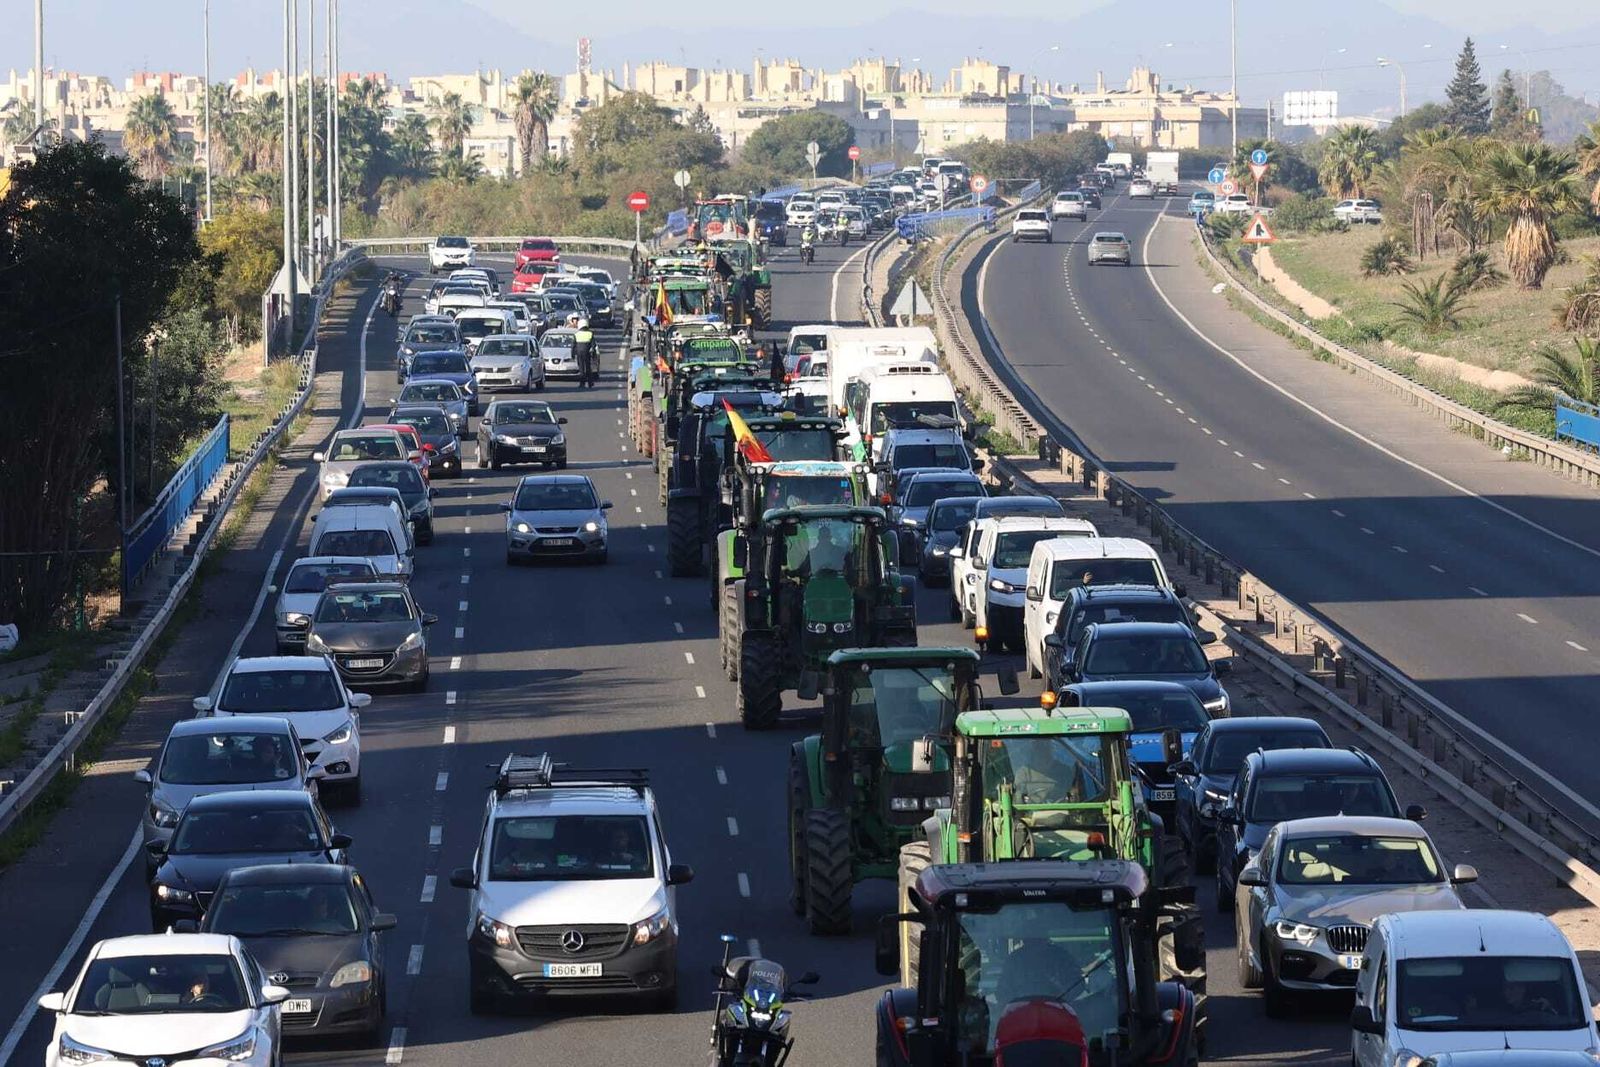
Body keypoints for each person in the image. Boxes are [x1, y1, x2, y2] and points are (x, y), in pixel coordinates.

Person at [574, 322, 596, 387]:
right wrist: (593, 352)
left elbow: (573, 345)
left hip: (579, 353)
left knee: (581, 368)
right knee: (588, 368)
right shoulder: (590, 334)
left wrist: (572, 354)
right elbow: (593, 344)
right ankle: (590, 383)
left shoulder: (576, 334)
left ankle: (582, 383)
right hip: (587, 353)